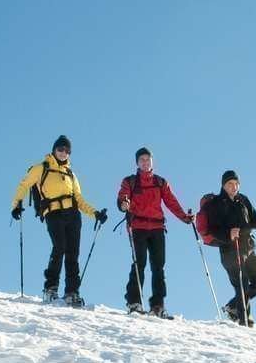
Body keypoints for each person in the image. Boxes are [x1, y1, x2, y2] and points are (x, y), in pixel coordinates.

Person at [10, 135, 106, 306]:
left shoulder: (71, 174)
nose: (63, 153)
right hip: (53, 213)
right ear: (54, 150)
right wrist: (16, 204)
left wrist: (95, 213)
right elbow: (24, 184)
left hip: (73, 215)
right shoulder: (42, 168)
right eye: (60, 149)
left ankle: (72, 292)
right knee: (59, 247)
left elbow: (79, 200)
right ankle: (50, 288)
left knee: (73, 253)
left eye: (67, 151)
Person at [115, 147, 193, 317]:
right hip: (138, 227)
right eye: (142, 160)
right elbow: (123, 196)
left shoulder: (160, 182)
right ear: (137, 163)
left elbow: (171, 201)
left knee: (158, 267)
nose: (145, 162)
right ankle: (134, 302)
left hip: (157, 228)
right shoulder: (130, 181)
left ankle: (157, 305)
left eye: (147, 159)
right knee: (139, 263)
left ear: (152, 162)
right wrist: (123, 204)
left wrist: (185, 217)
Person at [200, 169, 256, 326]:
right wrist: (228, 233)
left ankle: (232, 307)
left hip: (248, 247)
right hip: (230, 250)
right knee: (242, 284)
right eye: (230, 184)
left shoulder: (243, 200)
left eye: (236, 184)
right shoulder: (216, 204)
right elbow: (212, 229)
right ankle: (245, 321)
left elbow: (253, 220)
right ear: (223, 185)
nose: (234, 187)